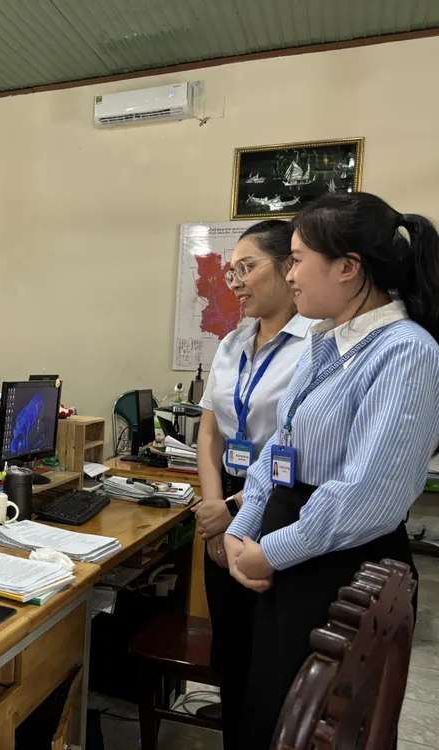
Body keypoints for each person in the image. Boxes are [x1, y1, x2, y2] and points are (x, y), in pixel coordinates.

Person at [224, 192, 439, 748]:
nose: (289, 275)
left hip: (337, 562)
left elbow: (365, 496)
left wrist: (268, 550)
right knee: (269, 710)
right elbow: (278, 451)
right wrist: (243, 527)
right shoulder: (326, 342)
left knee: (313, 725)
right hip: (290, 551)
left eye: (296, 259)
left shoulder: (404, 350)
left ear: (348, 267)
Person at [191, 221, 314, 750]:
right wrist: (214, 504)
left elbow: (306, 454)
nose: (234, 281)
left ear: (288, 268)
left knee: (273, 669)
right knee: (232, 659)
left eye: (247, 268)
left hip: (280, 507)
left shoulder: (317, 345)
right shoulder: (231, 342)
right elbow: (210, 428)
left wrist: (234, 510)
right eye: (231, 269)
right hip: (223, 501)